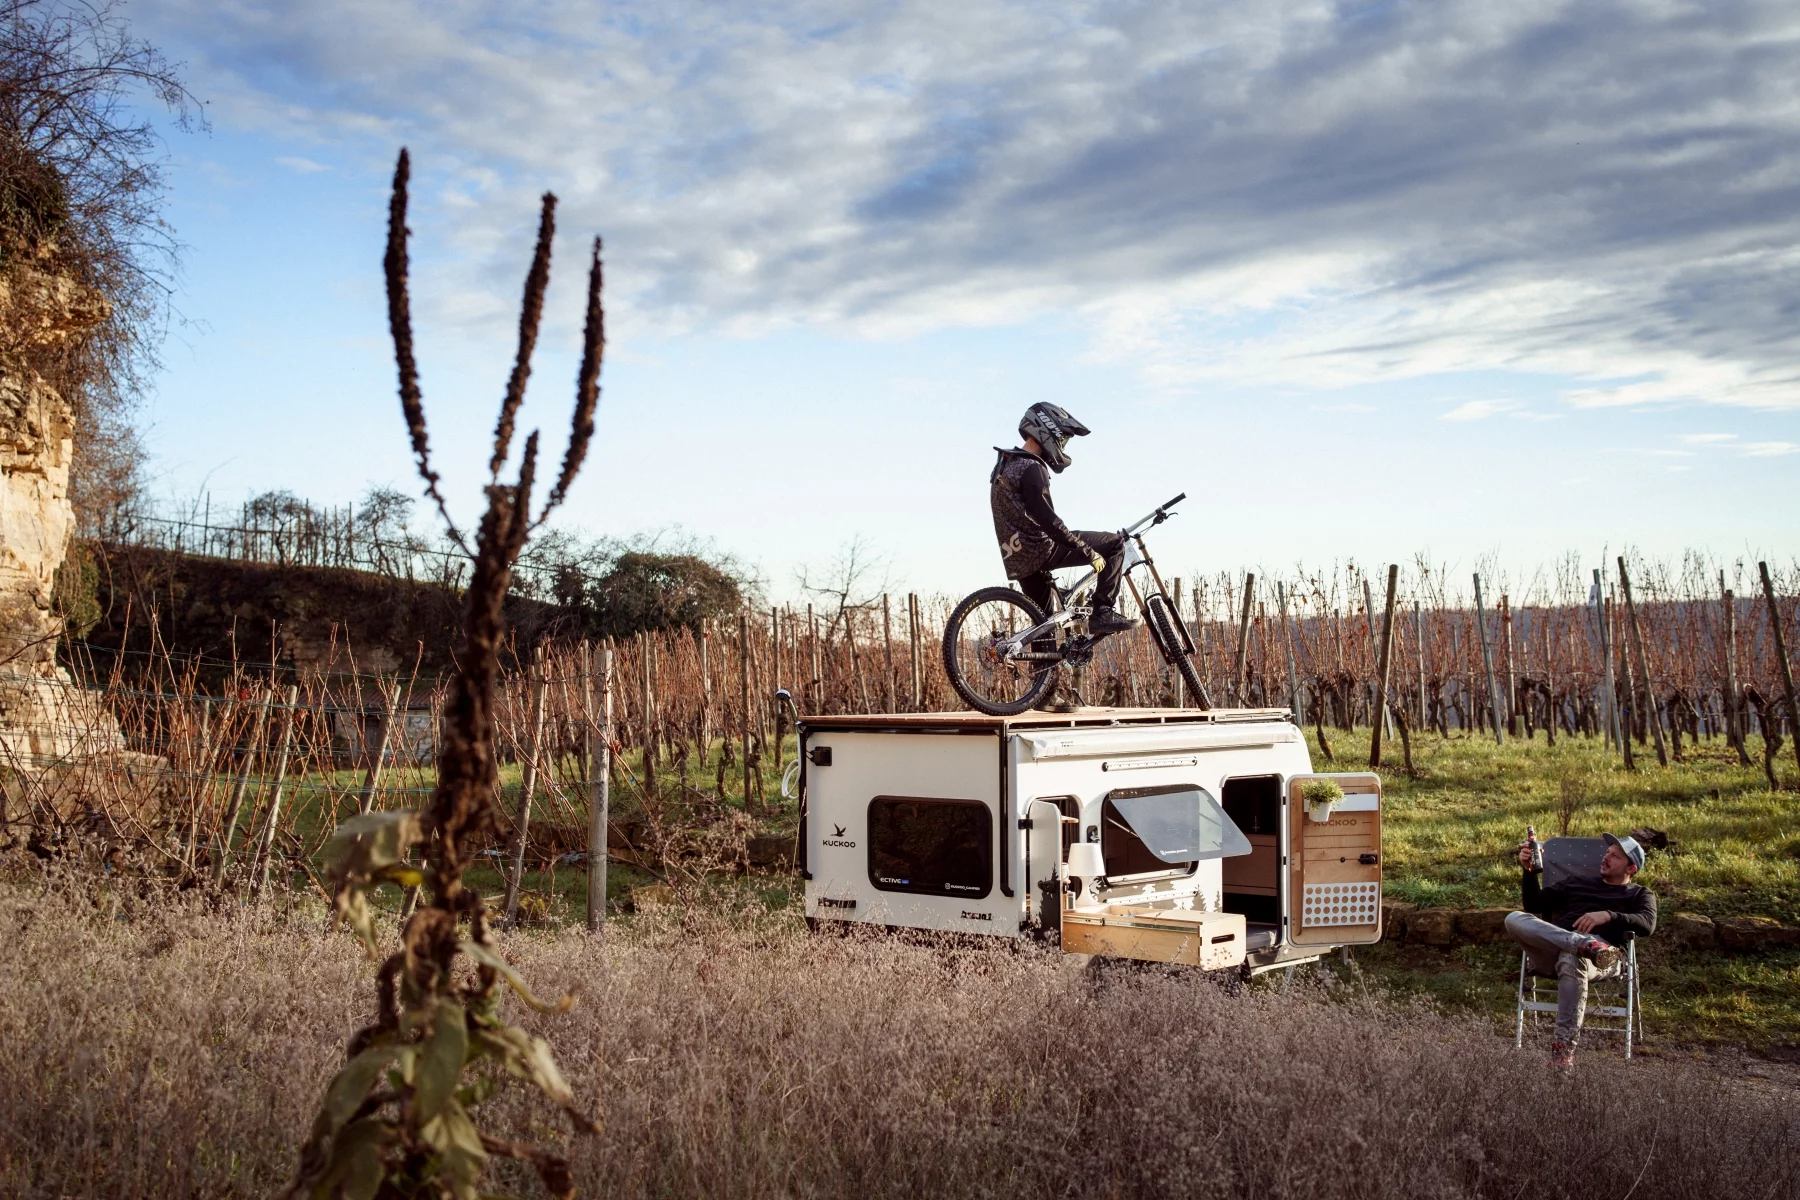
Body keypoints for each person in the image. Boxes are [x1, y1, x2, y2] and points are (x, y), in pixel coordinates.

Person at [1504, 833, 1657, 1068]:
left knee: (1572, 958)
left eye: (1615, 856)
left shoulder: (1639, 894)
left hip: (1604, 956)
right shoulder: (1576, 883)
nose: (1606, 857)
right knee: (1513, 918)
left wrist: (1608, 915)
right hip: (1556, 946)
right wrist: (1529, 871)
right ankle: (1579, 944)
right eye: (1607, 852)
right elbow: (1534, 905)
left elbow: (1647, 924)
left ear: (1631, 868)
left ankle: (1563, 1051)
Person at [990, 402, 1137, 639]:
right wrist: (1087, 551)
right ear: (1049, 431)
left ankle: (1044, 663)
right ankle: (1103, 612)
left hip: (1016, 557)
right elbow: (1049, 521)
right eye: (1063, 439)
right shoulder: (1032, 467)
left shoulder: (1006, 464)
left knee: (1044, 629)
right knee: (1114, 544)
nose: (1062, 445)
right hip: (1040, 549)